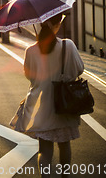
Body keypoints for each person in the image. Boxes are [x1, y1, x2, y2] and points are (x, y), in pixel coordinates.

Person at [10, 13, 84, 178]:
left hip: (40, 105)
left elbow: (29, 76)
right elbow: (79, 69)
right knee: (64, 145)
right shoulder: (68, 46)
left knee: (44, 150)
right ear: (57, 25)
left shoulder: (31, 51)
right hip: (65, 103)